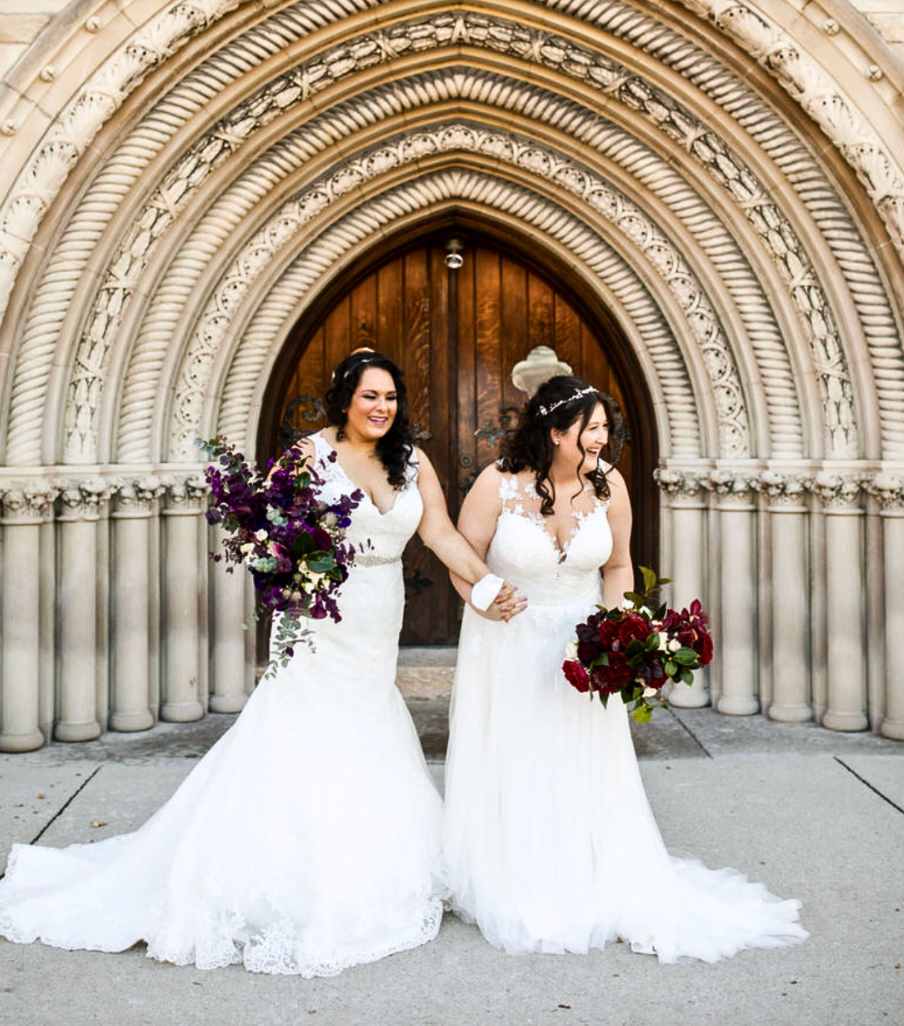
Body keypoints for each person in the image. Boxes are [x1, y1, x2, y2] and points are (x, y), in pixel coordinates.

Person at [0, 349, 523, 976]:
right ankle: (294, 874)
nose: (381, 407)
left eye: (390, 397)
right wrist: (288, 572)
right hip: (314, 619)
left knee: (366, 722)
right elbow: (266, 539)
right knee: (301, 729)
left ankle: (363, 859)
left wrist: (488, 585)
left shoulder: (412, 460)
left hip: (378, 613)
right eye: (369, 396)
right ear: (344, 399)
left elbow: (439, 534)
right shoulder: (308, 455)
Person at [443, 375, 808, 962]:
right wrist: (479, 595)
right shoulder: (496, 484)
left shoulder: (609, 484)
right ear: (554, 431)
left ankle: (589, 870)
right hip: (507, 642)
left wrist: (610, 631)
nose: (601, 442)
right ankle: (515, 875)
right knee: (517, 752)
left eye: (606, 430)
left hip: (582, 645)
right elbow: (462, 557)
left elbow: (618, 566)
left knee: (582, 757)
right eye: (590, 431)